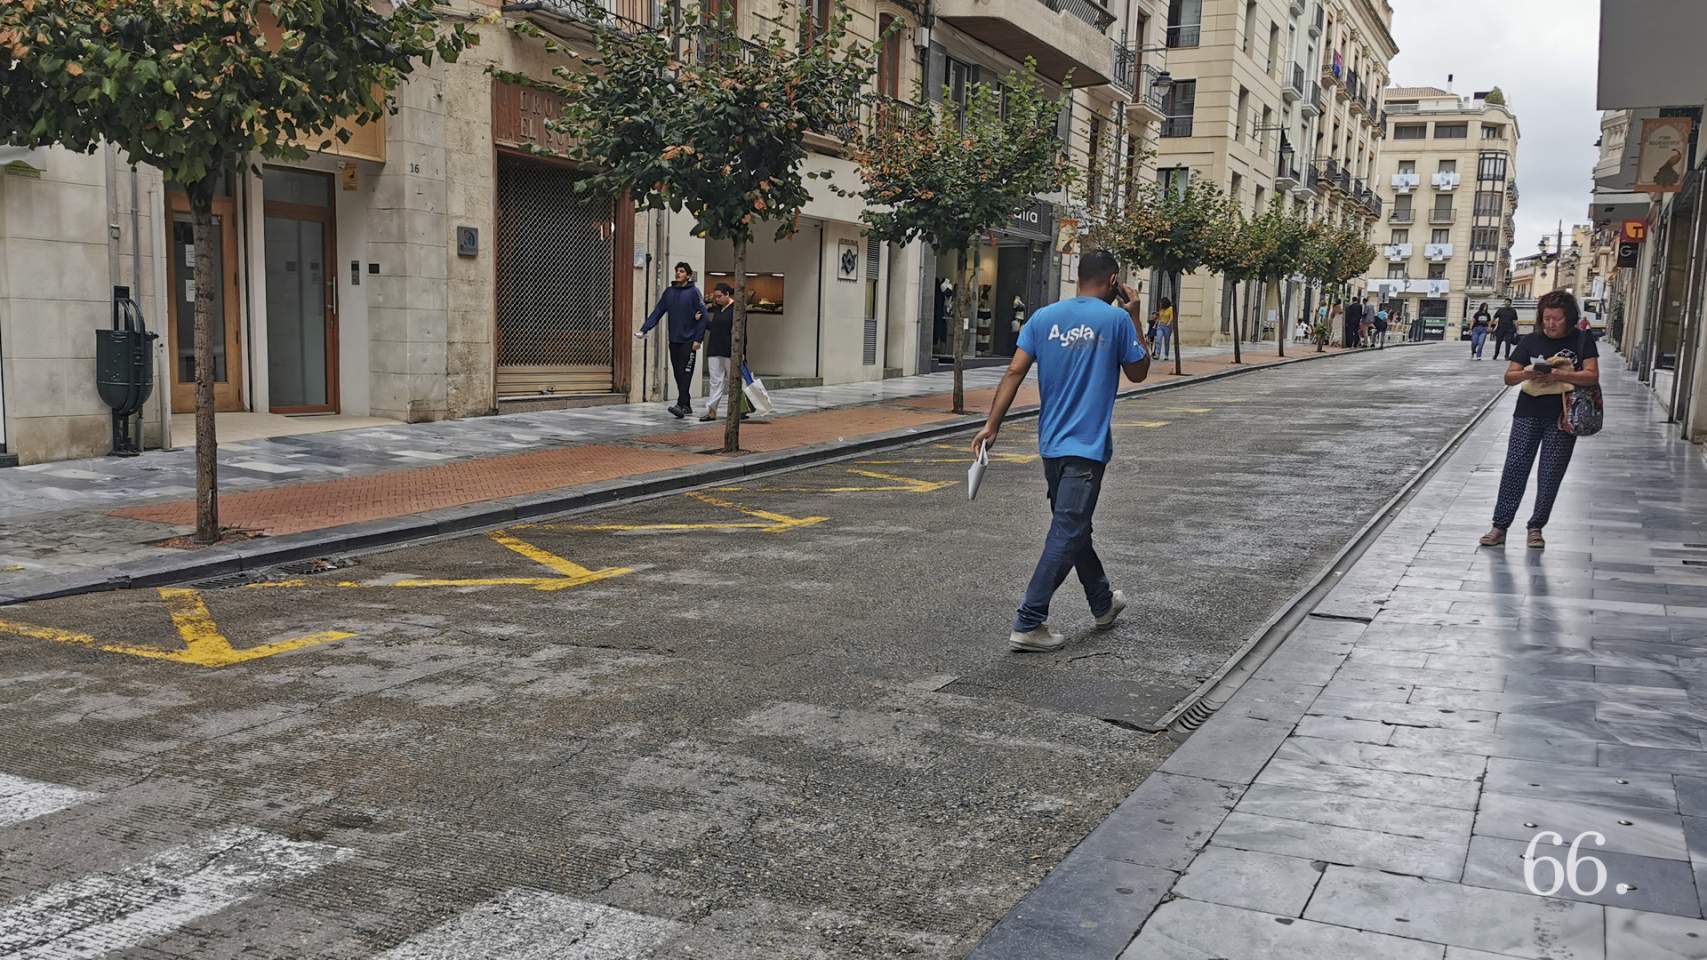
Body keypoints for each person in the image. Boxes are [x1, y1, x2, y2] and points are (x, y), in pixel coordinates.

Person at [971, 250, 1151, 652]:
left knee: (1074, 528)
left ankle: (1102, 603)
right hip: (1086, 450)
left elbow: (1014, 371)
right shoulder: (1117, 320)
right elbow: (1139, 372)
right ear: (1113, 282)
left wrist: (992, 424)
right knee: (1068, 530)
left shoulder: (1043, 318)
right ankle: (1028, 621)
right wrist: (1136, 314)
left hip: (1051, 445)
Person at [1479, 290, 1600, 551]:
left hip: (1563, 416)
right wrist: (1528, 372)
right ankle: (1499, 526)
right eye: (1546, 318)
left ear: (1568, 319)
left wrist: (1558, 374)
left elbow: (1592, 375)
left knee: (1550, 473)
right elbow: (1509, 377)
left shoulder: (1582, 340)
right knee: (1515, 468)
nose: (1550, 324)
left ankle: (1536, 527)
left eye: (1556, 319)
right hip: (1527, 412)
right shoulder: (1530, 341)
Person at [637, 262, 708, 418]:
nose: (678, 273)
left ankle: (680, 405)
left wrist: (698, 339)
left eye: (682, 271)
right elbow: (658, 311)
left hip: (689, 341)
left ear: (688, 275)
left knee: (686, 372)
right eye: (677, 271)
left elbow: (704, 317)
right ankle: (687, 404)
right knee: (678, 373)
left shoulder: (694, 293)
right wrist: (644, 329)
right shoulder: (669, 292)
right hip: (674, 339)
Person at [699, 283, 736, 422]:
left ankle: (739, 409)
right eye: (715, 297)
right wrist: (702, 318)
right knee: (715, 381)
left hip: (729, 350)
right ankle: (711, 412)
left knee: (734, 380)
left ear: (727, 294)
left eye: (719, 296)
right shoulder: (718, 309)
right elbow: (714, 328)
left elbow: (741, 332)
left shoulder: (736, 309)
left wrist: (742, 351)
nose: (717, 299)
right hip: (715, 348)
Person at [1151, 296, 1175, 361]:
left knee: (1166, 341)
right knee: (1158, 340)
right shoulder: (1161, 309)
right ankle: (1157, 355)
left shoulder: (1170, 308)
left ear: (1164, 303)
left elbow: (1172, 317)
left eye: (1161, 302)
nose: (1160, 304)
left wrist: (1169, 323)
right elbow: (1159, 318)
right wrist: (1156, 319)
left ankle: (1166, 355)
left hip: (1167, 327)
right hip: (1160, 326)